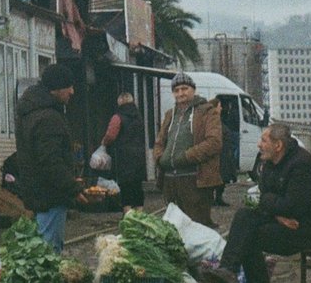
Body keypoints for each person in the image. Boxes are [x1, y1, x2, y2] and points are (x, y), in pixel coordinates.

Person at [207, 123, 311, 283]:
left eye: (263, 140)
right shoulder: (268, 164)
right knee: (244, 215)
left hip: (308, 228)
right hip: (284, 221)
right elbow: (264, 198)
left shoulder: (302, 164)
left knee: (251, 236)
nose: (259, 145)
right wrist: (277, 214)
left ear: (278, 145)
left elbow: (293, 207)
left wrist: (274, 207)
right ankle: (228, 271)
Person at [16, 63, 84, 252]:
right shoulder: (48, 118)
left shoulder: (32, 111)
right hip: (50, 196)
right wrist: (73, 187)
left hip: (37, 194)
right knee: (49, 253)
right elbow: (51, 162)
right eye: (69, 86)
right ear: (56, 88)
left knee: (40, 250)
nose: (72, 91)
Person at [153, 72, 223, 228]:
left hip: (195, 180)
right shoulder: (170, 114)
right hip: (170, 180)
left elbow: (214, 142)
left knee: (197, 227)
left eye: (184, 89)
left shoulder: (207, 111)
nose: (180, 93)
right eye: (176, 90)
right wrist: (160, 158)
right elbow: (159, 141)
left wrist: (185, 157)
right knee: (173, 228)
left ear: (193, 89)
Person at [100, 91, 147, 212]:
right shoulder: (139, 116)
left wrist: (103, 143)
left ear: (119, 102)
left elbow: (110, 135)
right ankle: (140, 213)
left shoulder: (118, 117)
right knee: (137, 185)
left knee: (125, 186)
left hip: (124, 157)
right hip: (139, 156)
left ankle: (128, 215)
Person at [213, 95, 240, 206]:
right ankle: (214, 198)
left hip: (224, 153)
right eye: (219, 106)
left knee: (223, 178)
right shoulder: (212, 121)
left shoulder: (219, 120)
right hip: (219, 154)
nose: (221, 108)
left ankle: (219, 198)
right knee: (217, 177)